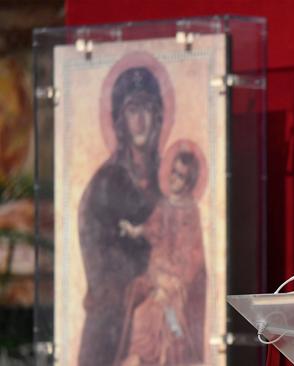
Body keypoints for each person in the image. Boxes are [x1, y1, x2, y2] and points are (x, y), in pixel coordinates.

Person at [77, 66, 164, 366]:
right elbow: (95, 248)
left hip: (161, 304)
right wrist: (134, 280)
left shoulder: (171, 177)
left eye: (147, 109)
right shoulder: (106, 181)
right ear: (121, 120)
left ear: (158, 116)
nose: (141, 120)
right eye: (132, 110)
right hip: (113, 314)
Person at [116, 147, 207, 366]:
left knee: (158, 312)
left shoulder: (190, 211)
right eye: (173, 173)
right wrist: (134, 230)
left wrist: (172, 280)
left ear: (189, 182)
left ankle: (159, 356)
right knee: (138, 305)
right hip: (157, 275)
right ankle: (139, 356)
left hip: (178, 282)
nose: (175, 179)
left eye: (181, 176)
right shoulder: (164, 205)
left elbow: (193, 256)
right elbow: (151, 229)